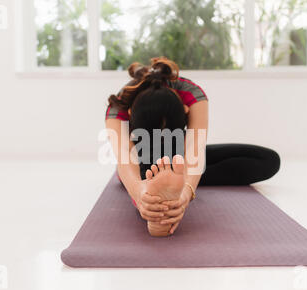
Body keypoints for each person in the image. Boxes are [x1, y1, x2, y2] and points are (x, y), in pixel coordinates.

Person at [105, 57, 280, 237]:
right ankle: (161, 188)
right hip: (142, 157)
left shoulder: (192, 94)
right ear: (130, 114)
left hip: (181, 154)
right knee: (142, 175)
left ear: (185, 110)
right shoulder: (118, 107)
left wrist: (185, 193)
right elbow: (125, 156)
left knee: (268, 160)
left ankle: (175, 178)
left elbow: (194, 149)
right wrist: (141, 196)